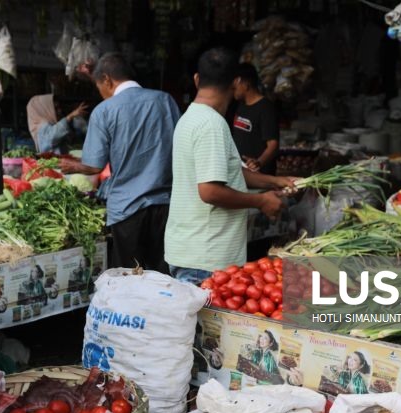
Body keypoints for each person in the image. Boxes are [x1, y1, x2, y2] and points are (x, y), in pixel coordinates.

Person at [164, 48, 297, 284]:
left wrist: (275, 181)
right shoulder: (211, 125)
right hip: (205, 258)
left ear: (197, 80)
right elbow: (210, 191)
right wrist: (261, 201)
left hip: (193, 251)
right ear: (235, 83)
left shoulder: (190, 117)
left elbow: (231, 171)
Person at [60, 53, 180, 272]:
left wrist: (73, 166)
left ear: (107, 80)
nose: (103, 94)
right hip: (165, 205)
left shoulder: (105, 110)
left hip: (127, 208)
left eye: (99, 88)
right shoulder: (165, 100)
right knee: (162, 275)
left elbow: (95, 166)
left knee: (129, 276)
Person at [231, 63, 280, 174]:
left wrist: (258, 162)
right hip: (242, 172)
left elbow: (273, 145)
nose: (232, 88)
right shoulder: (240, 105)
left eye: (235, 85)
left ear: (246, 84)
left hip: (261, 174)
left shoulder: (266, 108)